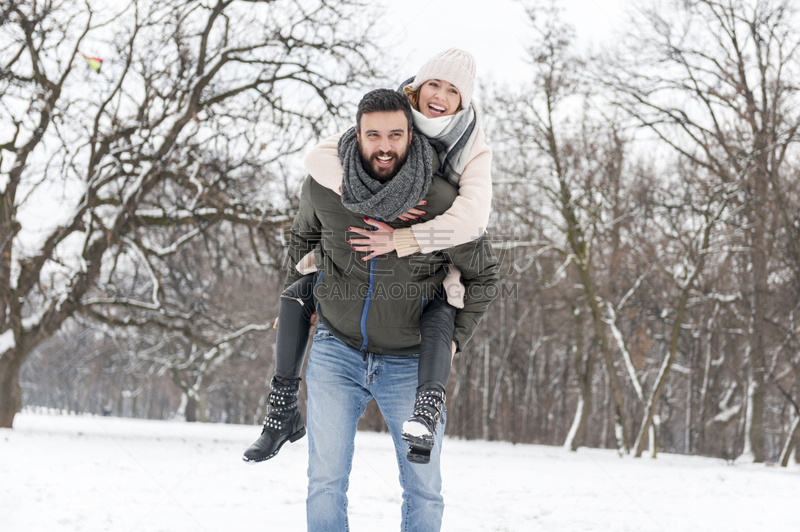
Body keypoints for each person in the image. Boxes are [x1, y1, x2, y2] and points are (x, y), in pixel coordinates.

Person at [243, 49, 493, 466]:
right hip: (341, 329)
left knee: (443, 304)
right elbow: (316, 165)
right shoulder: (389, 114)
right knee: (300, 290)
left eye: (453, 91)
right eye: (434, 84)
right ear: (415, 89)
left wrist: (406, 234)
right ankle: (282, 406)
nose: (440, 95)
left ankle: (428, 404)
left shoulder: (470, 150)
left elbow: (474, 224)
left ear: (463, 103)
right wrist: (369, 197)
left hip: (430, 263)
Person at [283, 88, 498, 531]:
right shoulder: (326, 186)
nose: (384, 145)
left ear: (411, 136)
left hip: (410, 362)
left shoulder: (441, 203)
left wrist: (455, 339)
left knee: (424, 487)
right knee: (324, 481)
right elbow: (301, 240)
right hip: (335, 351)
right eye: (373, 134)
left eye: (395, 134)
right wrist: (309, 291)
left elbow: (484, 276)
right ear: (355, 136)